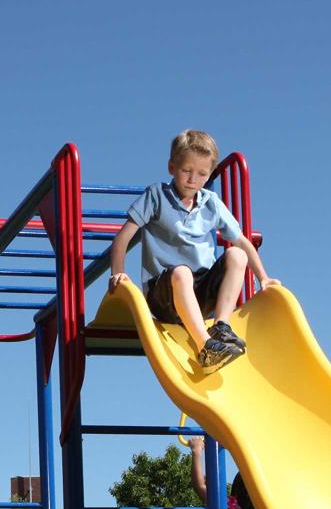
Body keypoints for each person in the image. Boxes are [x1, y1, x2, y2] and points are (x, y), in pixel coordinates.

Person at [108, 129, 281, 372]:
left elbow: (242, 242)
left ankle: (220, 326)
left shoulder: (211, 202)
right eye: (186, 171)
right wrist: (118, 272)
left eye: (201, 174)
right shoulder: (157, 196)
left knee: (236, 254)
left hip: (200, 294)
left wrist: (263, 278)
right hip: (165, 295)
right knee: (182, 272)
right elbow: (122, 238)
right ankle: (205, 347)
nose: (193, 179)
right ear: (171, 167)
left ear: (209, 174)